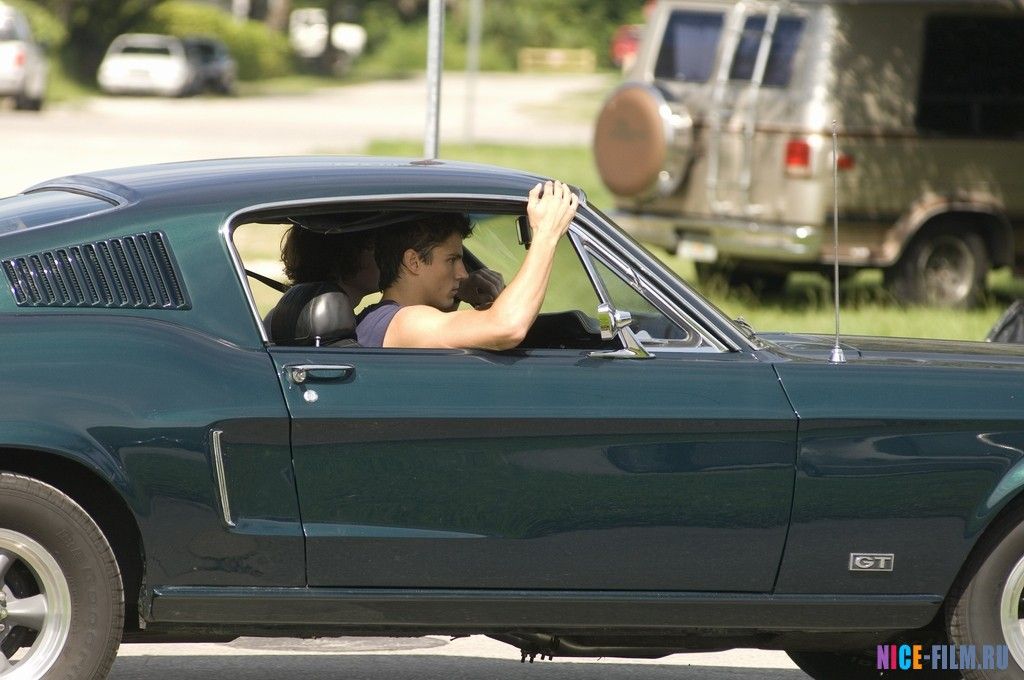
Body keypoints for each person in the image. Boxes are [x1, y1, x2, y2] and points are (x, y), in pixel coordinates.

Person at [356, 180, 578, 350]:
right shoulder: (401, 323)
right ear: (413, 262)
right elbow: (506, 327)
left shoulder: (380, 320)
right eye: (451, 260)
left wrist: (463, 296)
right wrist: (546, 235)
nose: (463, 273)